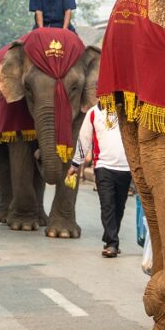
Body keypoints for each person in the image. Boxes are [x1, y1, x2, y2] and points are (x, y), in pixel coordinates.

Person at [66, 104, 130, 258]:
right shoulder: (93, 113)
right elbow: (84, 139)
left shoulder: (127, 109)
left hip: (126, 168)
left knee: (119, 208)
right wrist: (75, 164)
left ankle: (110, 239)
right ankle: (113, 244)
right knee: (107, 205)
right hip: (103, 167)